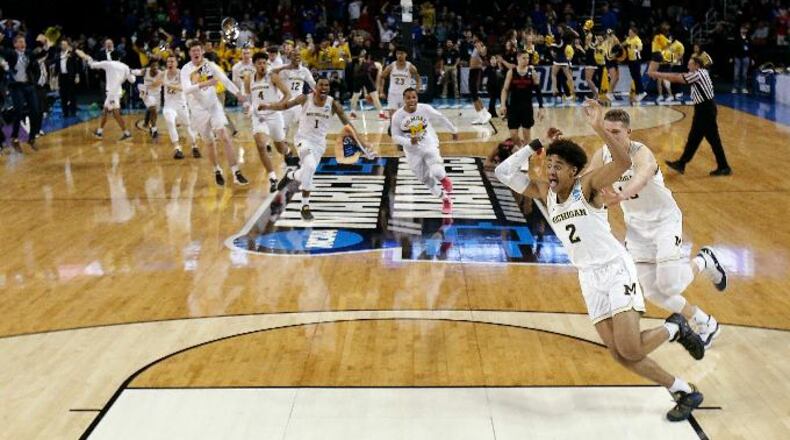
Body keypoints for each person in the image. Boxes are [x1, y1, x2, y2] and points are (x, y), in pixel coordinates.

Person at [496, 99, 707, 422]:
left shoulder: (588, 186)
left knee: (632, 349)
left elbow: (623, 162)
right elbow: (503, 171)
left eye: (558, 166)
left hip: (615, 270)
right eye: (548, 164)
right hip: (588, 277)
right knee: (620, 355)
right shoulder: (545, 193)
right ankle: (683, 389)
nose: (550, 170)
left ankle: (674, 327)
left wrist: (597, 128)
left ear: (573, 171)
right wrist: (538, 145)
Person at [586, 109, 728, 348]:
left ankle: (705, 260)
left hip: (664, 222)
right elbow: (587, 181)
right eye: (606, 132)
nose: (611, 137)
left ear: (628, 132)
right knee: (652, 291)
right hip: (637, 230)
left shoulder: (641, 152)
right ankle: (705, 322)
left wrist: (621, 194)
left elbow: (641, 177)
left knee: (670, 285)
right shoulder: (602, 155)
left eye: (616, 132)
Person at [262, 78, 372, 220]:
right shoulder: (304, 98)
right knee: (310, 165)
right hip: (302, 140)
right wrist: (269, 106)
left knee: (307, 170)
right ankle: (305, 206)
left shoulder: (333, 104)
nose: (324, 87)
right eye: (321, 85)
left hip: (319, 144)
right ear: (316, 87)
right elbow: (285, 106)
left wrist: (361, 141)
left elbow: (348, 124)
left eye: (327, 85)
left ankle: (291, 175)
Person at [180, 40, 249, 186]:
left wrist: (238, 94)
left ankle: (236, 172)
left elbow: (225, 81)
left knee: (224, 135)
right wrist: (205, 83)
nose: (196, 53)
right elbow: (186, 89)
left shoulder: (210, 66)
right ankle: (217, 170)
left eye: (198, 50)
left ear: (202, 51)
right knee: (209, 143)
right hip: (198, 111)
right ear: (189, 53)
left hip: (213, 106)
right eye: (193, 51)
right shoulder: (186, 69)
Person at [649, 56, 732, 176]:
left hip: (705, 110)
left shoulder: (698, 74)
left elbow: (678, 78)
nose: (688, 66)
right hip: (704, 109)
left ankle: (721, 166)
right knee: (702, 139)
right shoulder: (700, 72)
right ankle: (684, 163)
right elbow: (681, 75)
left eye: (690, 64)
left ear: (697, 66)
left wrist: (657, 74)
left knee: (701, 138)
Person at [390, 88, 458, 214]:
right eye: (408, 98)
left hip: (428, 143)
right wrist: (409, 141)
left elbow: (440, 117)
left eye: (414, 97)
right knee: (426, 180)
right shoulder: (397, 116)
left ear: (417, 98)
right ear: (404, 100)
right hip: (412, 151)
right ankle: (445, 200)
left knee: (436, 170)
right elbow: (395, 136)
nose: (411, 100)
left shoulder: (425, 108)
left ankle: (444, 179)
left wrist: (453, 130)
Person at [249, 52, 291, 192]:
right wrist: (248, 107)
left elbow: (287, 94)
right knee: (261, 144)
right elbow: (249, 97)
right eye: (259, 63)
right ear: (254, 65)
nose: (262, 66)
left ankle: (289, 151)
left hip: (274, 115)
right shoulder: (249, 79)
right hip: (259, 117)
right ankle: (272, 177)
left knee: (281, 149)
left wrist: (277, 105)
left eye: (264, 63)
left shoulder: (272, 77)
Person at [74, 48, 134, 141]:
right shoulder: (125, 66)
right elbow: (132, 80)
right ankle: (99, 132)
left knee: (116, 114)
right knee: (105, 111)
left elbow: (93, 65)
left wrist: (88, 58)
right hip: (116, 92)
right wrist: (129, 74)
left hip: (112, 93)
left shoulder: (108, 64)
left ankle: (127, 133)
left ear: (111, 56)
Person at [1, 34, 45, 151]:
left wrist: (46, 45)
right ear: (15, 44)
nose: (23, 44)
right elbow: (2, 51)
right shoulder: (11, 54)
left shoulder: (29, 53)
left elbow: (39, 54)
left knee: (36, 111)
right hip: (16, 87)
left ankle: (31, 138)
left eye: (24, 42)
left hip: (28, 86)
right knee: (19, 111)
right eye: (20, 42)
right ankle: (14, 138)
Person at [500, 50, 544, 147]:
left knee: (526, 134)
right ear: (518, 58)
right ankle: (521, 149)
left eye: (528, 58)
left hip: (527, 107)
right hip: (513, 107)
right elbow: (505, 89)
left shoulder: (532, 73)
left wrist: (541, 107)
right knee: (513, 135)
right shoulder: (511, 72)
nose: (526, 60)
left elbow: (538, 91)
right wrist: (503, 104)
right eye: (524, 58)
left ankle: (527, 157)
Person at [161, 55, 199, 160]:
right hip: (169, 105)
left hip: (181, 104)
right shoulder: (163, 74)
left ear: (176, 63)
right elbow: (154, 82)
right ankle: (177, 148)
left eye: (172, 61)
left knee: (187, 127)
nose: (170, 63)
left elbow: (183, 88)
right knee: (170, 122)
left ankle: (194, 146)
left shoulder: (182, 74)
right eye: (168, 62)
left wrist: (168, 85)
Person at [377, 46, 421, 119]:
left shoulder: (410, 67)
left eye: (401, 53)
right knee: (393, 117)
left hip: (405, 95)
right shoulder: (391, 66)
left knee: (406, 117)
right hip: (393, 94)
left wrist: (417, 88)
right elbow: (382, 77)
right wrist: (381, 91)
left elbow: (418, 78)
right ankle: (392, 130)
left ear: (405, 54)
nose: (399, 55)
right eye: (398, 53)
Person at [131, 60, 164, 139]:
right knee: (152, 108)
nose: (155, 68)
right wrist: (128, 71)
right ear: (150, 66)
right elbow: (135, 72)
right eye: (153, 66)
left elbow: (157, 83)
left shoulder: (161, 73)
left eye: (156, 66)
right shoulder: (145, 71)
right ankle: (154, 130)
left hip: (157, 95)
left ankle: (146, 123)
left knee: (153, 111)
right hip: (147, 94)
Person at [468, 36, 492, 124]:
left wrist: (479, 46)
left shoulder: (481, 46)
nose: (473, 38)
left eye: (474, 37)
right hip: (472, 72)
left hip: (476, 71)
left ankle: (484, 115)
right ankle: (482, 115)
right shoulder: (476, 46)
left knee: (474, 94)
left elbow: (483, 54)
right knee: (473, 95)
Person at [56, 39, 81, 117]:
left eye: (65, 44)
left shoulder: (72, 54)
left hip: (70, 77)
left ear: (67, 45)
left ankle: (73, 111)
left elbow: (76, 65)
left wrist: (77, 75)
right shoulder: (58, 55)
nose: (63, 46)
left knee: (72, 95)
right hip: (62, 77)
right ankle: (65, 112)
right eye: (62, 44)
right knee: (63, 95)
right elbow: (56, 65)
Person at [624, 27, 647, 101]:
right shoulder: (629, 39)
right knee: (634, 76)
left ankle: (642, 92)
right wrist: (619, 45)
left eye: (630, 32)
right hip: (630, 60)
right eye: (628, 32)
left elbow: (640, 47)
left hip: (636, 60)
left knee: (637, 76)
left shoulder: (637, 40)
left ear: (634, 33)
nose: (629, 33)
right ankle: (638, 92)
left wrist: (635, 50)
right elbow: (625, 43)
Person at [731, 25, 752, 94]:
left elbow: (751, 49)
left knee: (744, 74)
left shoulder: (748, 38)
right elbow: (733, 48)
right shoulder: (737, 38)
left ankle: (743, 87)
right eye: (742, 29)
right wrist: (732, 57)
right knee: (736, 74)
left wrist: (751, 58)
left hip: (746, 58)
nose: (744, 30)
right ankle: (735, 88)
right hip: (737, 58)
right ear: (740, 30)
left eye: (745, 29)